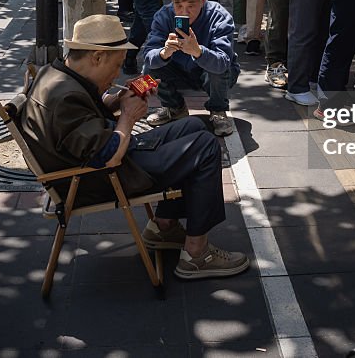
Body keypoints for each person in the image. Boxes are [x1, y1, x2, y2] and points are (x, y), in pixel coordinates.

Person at [20, 14, 249, 279]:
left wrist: (118, 100)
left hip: (91, 165)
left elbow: (86, 118)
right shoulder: (66, 97)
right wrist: (127, 117)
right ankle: (196, 254)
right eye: (116, 65)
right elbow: (107, 158)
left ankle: (164, 226)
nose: (117, 73)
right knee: (206, 146)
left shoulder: (56, 73)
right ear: (96, 57)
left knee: (194, 127)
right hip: (98, 178)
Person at [142, 0, 239, 137]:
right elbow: (148, 55)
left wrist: (198, 51)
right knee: (150, 67)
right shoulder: (164, 16)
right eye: (178, 5)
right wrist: (164, 53)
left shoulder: (220, 17)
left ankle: (218, 110)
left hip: (211, 74)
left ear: (203, 0)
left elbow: (223, 62)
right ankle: (174, 107)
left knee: (217, 67)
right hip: (179, 70)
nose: (184, 12)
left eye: (191, 5)